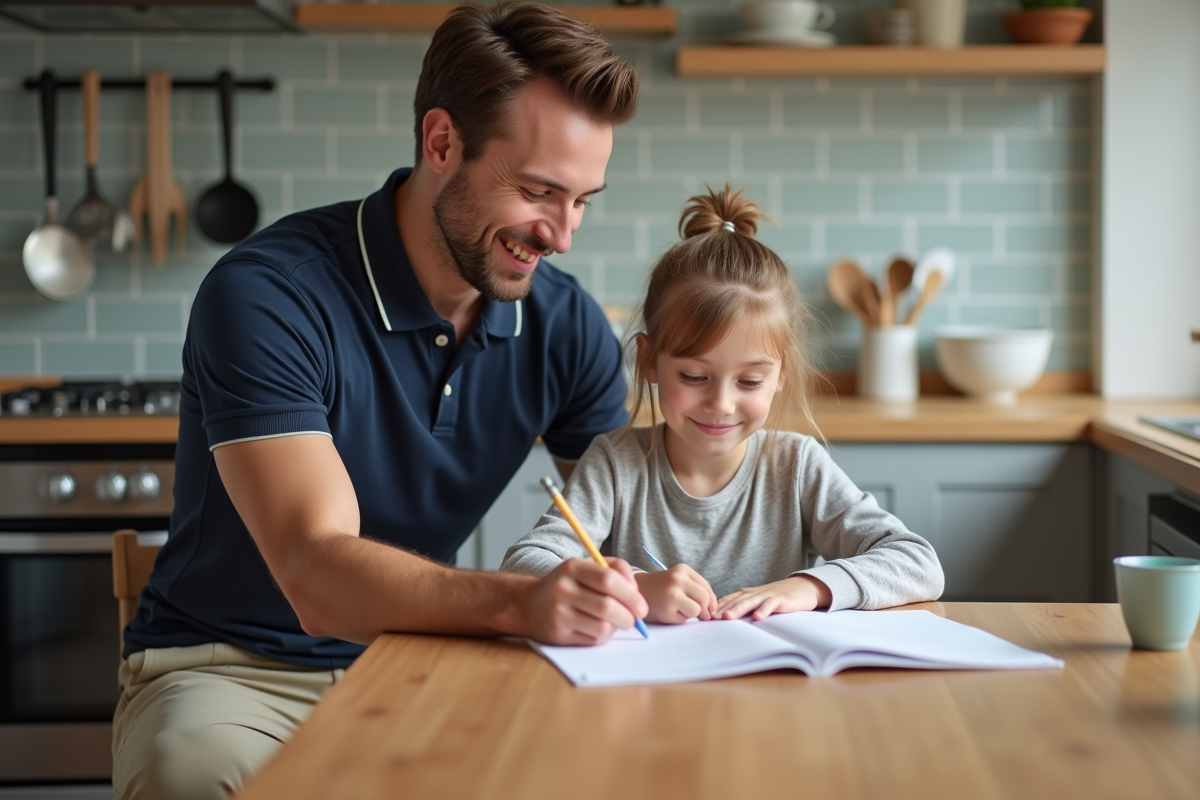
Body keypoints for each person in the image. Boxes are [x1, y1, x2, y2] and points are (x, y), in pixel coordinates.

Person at [112, 5, 652, 799]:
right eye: (539, 192)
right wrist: (523, 602)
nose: (562, 235)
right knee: (192, 779)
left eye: (583, 200)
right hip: (230, 674)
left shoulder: (562, 323)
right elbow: (316, 577)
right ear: (442, 143)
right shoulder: (269, 296)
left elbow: (634, 524)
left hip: (435, 663)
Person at [501, 185, 944, 622]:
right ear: (649, 360)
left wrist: (810, 586)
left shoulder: (797, 466)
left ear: (780, 375)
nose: (721, 403)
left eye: (750, 380)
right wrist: (634, 588)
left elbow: (918, 562)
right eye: (694, 376)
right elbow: (525, 562)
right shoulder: (616, 464)